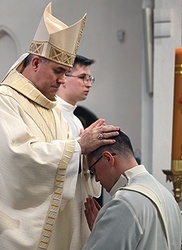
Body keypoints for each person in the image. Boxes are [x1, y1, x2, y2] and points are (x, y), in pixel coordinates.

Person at [0, 3, 120, 249]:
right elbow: (18, 160)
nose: (62, 81)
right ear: (36, 63)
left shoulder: (53, 111)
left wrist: (90, 158)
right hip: (16, 230)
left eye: (66, 72)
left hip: (63, 227)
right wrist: (79, 146)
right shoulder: (2, 102)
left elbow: (67, 164)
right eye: (59, 71)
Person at [82, 130, 182, 249]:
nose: (97, 179)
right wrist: (104, 232)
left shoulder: (124, 202)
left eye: (93, 171)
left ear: (108, 158)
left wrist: (99, 235)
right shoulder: (166, 196)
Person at [55, 55, 104, 246]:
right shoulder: (53, 115)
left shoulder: (75, 119)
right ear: (63, 78)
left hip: (78, 200)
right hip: (61, 206)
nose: (88, 83)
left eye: (90, 78)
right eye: (83, 77)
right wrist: (81, 145)